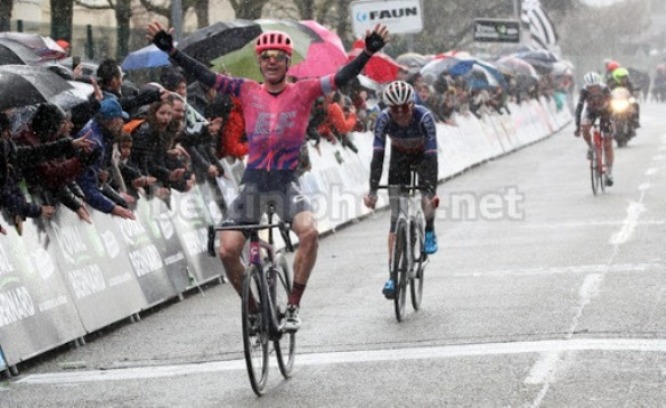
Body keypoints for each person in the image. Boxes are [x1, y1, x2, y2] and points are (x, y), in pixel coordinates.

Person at [147, 20, 389, 332]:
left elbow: (342, 77)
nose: (271, 61)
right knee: (227, 250)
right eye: (265, 56)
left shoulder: (305, 90)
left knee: (310, 233)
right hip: (254, 182)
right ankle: (254, 311)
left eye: (278, 56)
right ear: (259, 62)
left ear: (289, 62)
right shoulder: (245, 90)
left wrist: (367, 53)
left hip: (286, 182)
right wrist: (173, 52)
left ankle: (292, 306)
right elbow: (206, 76)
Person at [362, 81, 439, 299]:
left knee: (427, 199)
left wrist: (430, 190)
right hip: (400, 157)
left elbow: (432, 159)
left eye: (403, 108)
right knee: (395, 220)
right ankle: (393, 277)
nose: (399, 114)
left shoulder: (425, 118)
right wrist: (373, 190)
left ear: (412, 105)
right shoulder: (383, 119)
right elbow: (377, 157)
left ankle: (430, 230)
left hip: (424, 156)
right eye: (394, 109)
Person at [75, 98, 137, 220]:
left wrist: (117, 198)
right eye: (120, 119)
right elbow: (86, 185)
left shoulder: (95, 130)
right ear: (113, 120)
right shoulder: (95, 141)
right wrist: (112, 207)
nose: (122, 124)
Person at [574, 71, 614, 186]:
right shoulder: (584, 91)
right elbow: (579, 108)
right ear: (587, 86)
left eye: (595, 87)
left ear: (599, 84)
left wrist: (610, 123)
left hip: (606, 113)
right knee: (585, 127)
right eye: (590, 88)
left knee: (608, 143)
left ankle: (609, 173)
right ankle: (591, 147)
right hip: (591, 112)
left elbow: (612, 106)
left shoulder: (605, 89)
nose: (593, 90)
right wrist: (577, 127)